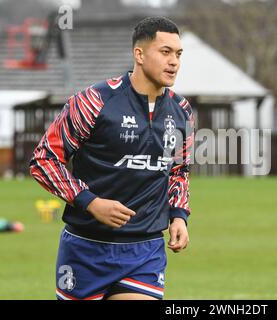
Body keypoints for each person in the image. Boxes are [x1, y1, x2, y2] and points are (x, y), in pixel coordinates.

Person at [29, 16, 194, 300]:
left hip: (145, 250)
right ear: (139, 54)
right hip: (86, 248)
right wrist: (90, 202)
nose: (174, 62)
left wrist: (178, 215)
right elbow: (43, 160)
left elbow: (178, 170)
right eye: (165, 52)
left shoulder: (182, 111)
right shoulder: (93, 102)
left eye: (178, 54)